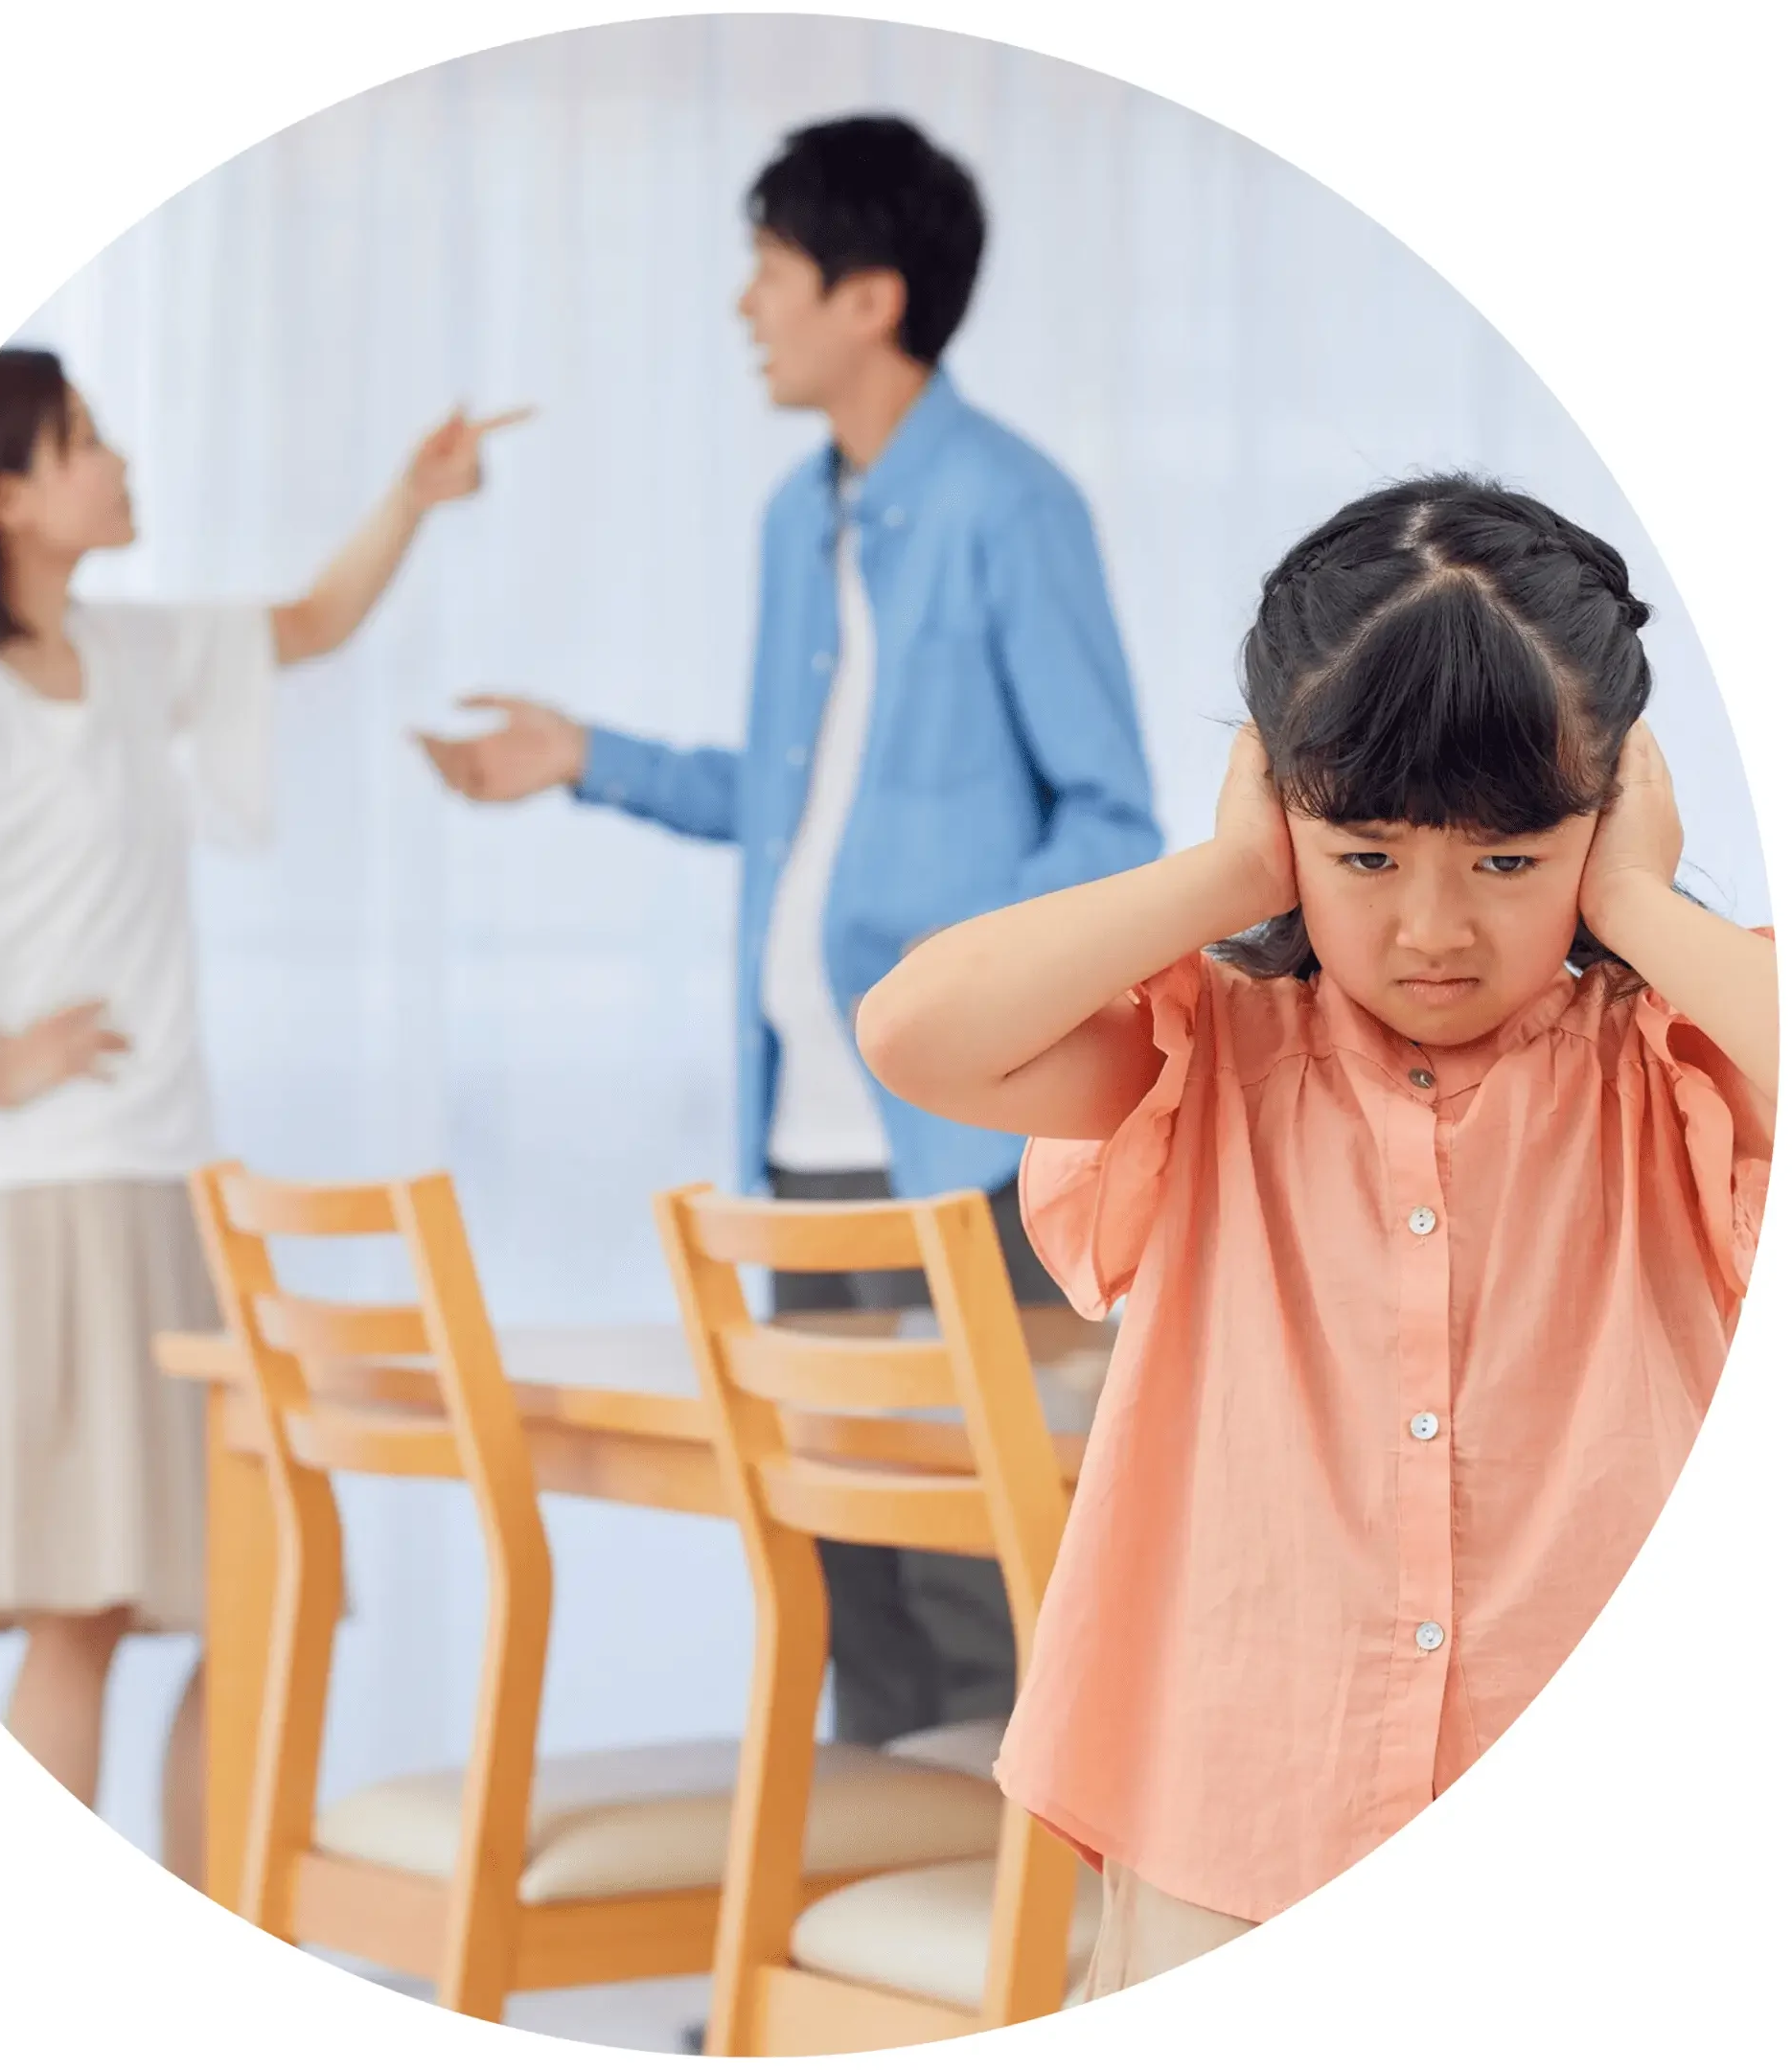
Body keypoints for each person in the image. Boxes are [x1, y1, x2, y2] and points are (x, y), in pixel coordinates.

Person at [855, 474, 1775, 1995]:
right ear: (1285, 815)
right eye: (1366, 858)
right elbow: (914, 1033)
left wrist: (1637, 898)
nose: (1433, 928)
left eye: (1508, 861)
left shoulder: (1664, 1056)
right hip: (1244, 1823)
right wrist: (1223, 877)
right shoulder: (1211, 1051)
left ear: (1600, 816)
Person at [419, 114, 1161, 1752]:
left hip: (963, 1149)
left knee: (985, 1576)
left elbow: (1113, 823)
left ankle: (993, 1991)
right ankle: (846, 1965)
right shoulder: (796, 516)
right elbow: (790, 798)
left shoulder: (1009, 507)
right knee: (849, 1582)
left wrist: (952, 972)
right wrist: (586, 761)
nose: (746, 307)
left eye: (770, 272)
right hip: (808, 1143)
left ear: (869, 297)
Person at [0, 348, 527, 1889]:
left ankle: (218, 1929)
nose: (119, 461)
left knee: (251, 1592)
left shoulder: (130, 652)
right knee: (81, 1606)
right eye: (84, 442)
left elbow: (303, 625)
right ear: (11, 497)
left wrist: (412, 499)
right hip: (50, 1199)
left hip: (170, 1183)